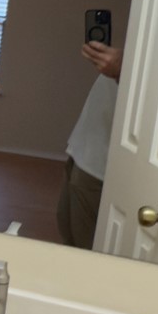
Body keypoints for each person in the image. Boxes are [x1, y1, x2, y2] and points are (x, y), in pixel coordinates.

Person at [58, 39, 122, 248]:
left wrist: (123, 70)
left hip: (99, 165)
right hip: (82, 149)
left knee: (85, 246)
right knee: (66, 228)